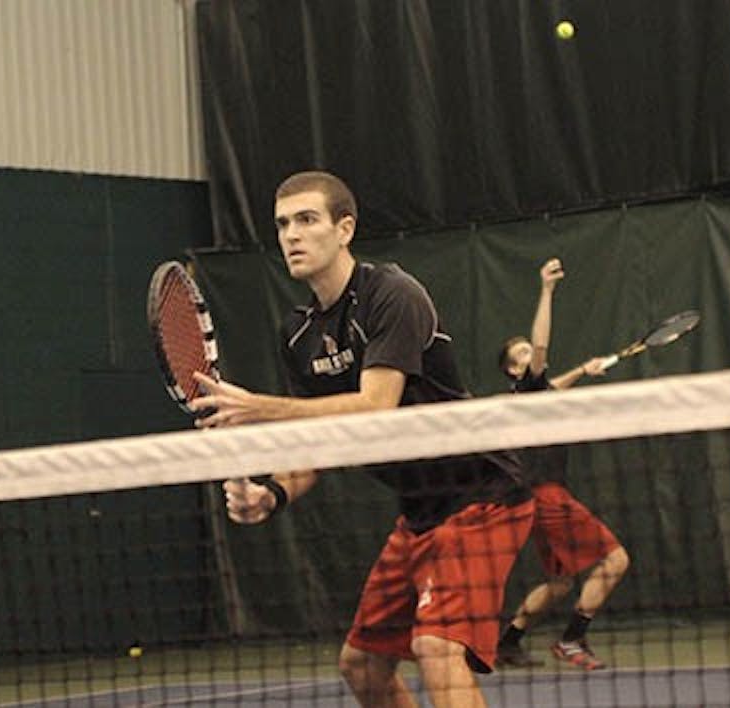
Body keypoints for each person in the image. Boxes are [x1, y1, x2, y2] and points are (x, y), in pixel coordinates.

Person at [189, 171, 534, 708]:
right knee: (363, 665)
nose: (291, 236)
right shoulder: (298, 336)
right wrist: (271, 493)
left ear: (344, 228)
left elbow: (376, 407)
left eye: (307, 220)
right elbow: (318, 442)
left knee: (436, 646)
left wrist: (259, 410)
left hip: (482, 494)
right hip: (419, 511)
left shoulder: (392, 294)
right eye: (282, 224)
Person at [494, 258, 630, 672]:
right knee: (616, 560)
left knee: (559, 583)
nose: (531, 356)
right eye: (523, 355)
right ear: (516, 369)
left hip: (533, 498)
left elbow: (553, 386)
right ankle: (573, 639)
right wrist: (547, 291)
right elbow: (541, 351)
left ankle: (508, 643)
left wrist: (584, 371)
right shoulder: (528, 381)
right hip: (549, 496)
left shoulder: (529, 395)